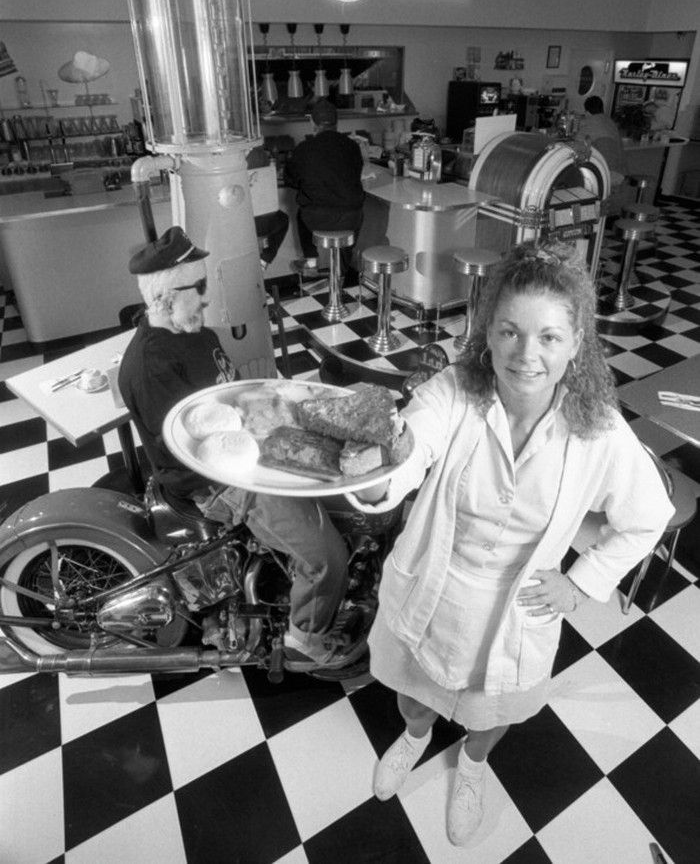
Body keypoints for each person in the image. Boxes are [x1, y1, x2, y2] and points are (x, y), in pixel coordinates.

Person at [350, 240, 674, 845]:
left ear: (577, 343)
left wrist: (581, 583)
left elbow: (648, 514)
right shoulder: (455, 392)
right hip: (433, 584)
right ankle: (414, 739)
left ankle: (473, 768)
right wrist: (375, 480)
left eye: (549, 337)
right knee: (414, 694)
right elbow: (412, 444)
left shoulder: (599, 431)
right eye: (510, 332)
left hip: (514, 609)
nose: (527, 355)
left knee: (488, 711)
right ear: (487, 334)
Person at [118, 225, 355, 670]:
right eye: (200, 287)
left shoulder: (194, 333)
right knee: (325, 557)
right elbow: (196, 455)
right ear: (165, 297)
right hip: (215, 483)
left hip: (243, 454)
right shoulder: (152, 366)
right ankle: (305, 639)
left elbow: (228, 398)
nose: (207, 299)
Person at [285, 98, 364, 274]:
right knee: (353, 212)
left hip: (316, 219)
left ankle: (312, 263)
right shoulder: (352, 146)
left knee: (301, 211)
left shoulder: (304, 149)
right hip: (351, 218)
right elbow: (356, 174)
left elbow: (291, 180)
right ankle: (342, 272)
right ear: (337, 123)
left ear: (312, 122)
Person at [579, 95, 628, 185]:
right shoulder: (610, 122)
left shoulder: (588, 122)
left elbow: (577, 145)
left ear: (587, 112)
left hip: (605, 174)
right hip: (620, 172)